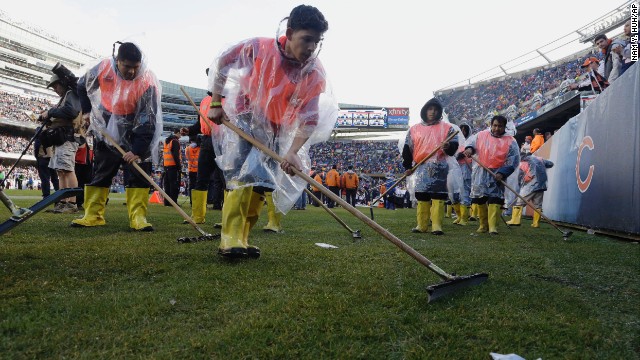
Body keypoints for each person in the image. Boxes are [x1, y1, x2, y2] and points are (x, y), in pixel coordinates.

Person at [206, 5, 337, 259]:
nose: (311, 47)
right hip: (245, 116)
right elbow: (222, 62)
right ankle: (229, 239)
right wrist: (215, 102)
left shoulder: (314, 72)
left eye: (317, 41)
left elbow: (309, 118)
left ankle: (242, 238)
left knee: (262, 181)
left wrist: (292, 152)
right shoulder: (259, 48)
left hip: (276, 129)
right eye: (306, 39)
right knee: (242, 174)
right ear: (289, 33)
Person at [71, 42, 162, 231]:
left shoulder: (147, 81)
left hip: (135, 125)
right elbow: (81, 86)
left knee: (138, 171)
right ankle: (93, 215)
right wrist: (87, 112)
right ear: (117, 60)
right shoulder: (103, 68)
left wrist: (136, 151)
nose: (131, 71)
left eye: (135, 67)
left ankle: (138, 218)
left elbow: (147, 119)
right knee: (102, 169)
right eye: (127, 66)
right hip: (107, 122)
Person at [402, 98, 458, 235]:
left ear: (439, 111)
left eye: (435, 109)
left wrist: (448, 146)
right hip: (421, 166)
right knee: (422, 195)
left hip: (440, 166)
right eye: (430, 109)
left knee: (438, 196)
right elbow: (407, 149)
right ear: (425, 110)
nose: (432, 112)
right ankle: (421, 225)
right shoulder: (414, 129)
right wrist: (407, 166)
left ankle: (437, 226)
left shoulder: (447, 128)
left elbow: (454, 147)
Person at [180, 68, 225, 224]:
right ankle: (198, 216)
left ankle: (228, 218)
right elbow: (200, 124)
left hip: (224, 142)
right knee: (201, 179)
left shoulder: (229, 99)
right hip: (206, 141)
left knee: (226, 180)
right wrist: (190, 130)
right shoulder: (205, 101)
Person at [463, 115, 519, 235]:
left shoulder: (511, 141)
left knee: (495, 199)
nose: (497, 128)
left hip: (497, 173)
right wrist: (469, 150)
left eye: (500, 126)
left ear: (505, 127)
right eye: (495, 125)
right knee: (481, 198)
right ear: (491, 125)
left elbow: (513, 160)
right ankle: (483, 225)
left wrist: (502, 173)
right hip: (481, 172)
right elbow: (471, 145)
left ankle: (493, 226)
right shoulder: (481, 135)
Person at [39, 73, 81, 213]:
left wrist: (50, 112)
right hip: (61, 139)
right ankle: (63, 202)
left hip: (68, 138)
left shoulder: (71, 94)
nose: (55, 89)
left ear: (62, 83)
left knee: (68, 170)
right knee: (61, 171)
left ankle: (72, 204)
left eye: (56, 85)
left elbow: (71, 111)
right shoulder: (65, 97)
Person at [506, 154, 554, 228]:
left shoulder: (522, 163)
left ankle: (515, 220)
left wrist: (520, 186)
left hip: (530, 186)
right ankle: (536, 223)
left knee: (519, 202)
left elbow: (520, 177)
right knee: (538, 204)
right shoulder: (539, 159)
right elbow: (550, 164)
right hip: (542, 184)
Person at [452, 121, 472, 226]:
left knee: (464, 192)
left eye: (465, 130)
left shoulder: (470, 142)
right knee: (455, 193)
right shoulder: (455, 142)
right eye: (461, 129)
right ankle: (459, 216)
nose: (463, 132)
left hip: (466, 169)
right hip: (455, 169)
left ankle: (464, 218)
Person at [33, 126, 59, 198]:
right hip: (51, 158)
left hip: (43, 158)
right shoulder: (51, 136)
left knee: (45, 178)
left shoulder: (40, 138)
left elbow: (36, 150)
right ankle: (59, 194)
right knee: (54, 178)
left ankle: (46, 195)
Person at [162, 128, 181, 206]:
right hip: (173, 166)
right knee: (174, 185)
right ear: (178, 133)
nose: (181, 136)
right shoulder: (175, 142)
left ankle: (167, 202)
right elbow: (175, 155)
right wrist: (179, 166)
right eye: (180, 134)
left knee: (167, 185)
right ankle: (173, 202)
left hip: (166, 166)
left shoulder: (167, 141)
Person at [185, 135, 200, 206]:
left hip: (191, 170)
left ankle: (192, 201)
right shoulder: (200, 148)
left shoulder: (187, 148)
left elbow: (187, 157)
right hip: (198, 170)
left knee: (191, 186)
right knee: (198, 187)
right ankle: (197, 201)